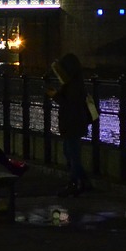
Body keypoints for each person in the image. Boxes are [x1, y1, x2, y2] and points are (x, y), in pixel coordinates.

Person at [47, 52, 91, 195]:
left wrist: (55, 96)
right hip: (74, 123)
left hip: (73, 123)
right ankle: (83, 181)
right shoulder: (76, 83)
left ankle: (74, 183)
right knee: (71, 153)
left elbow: (69, 104)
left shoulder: (73, 85)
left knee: (72, 154)